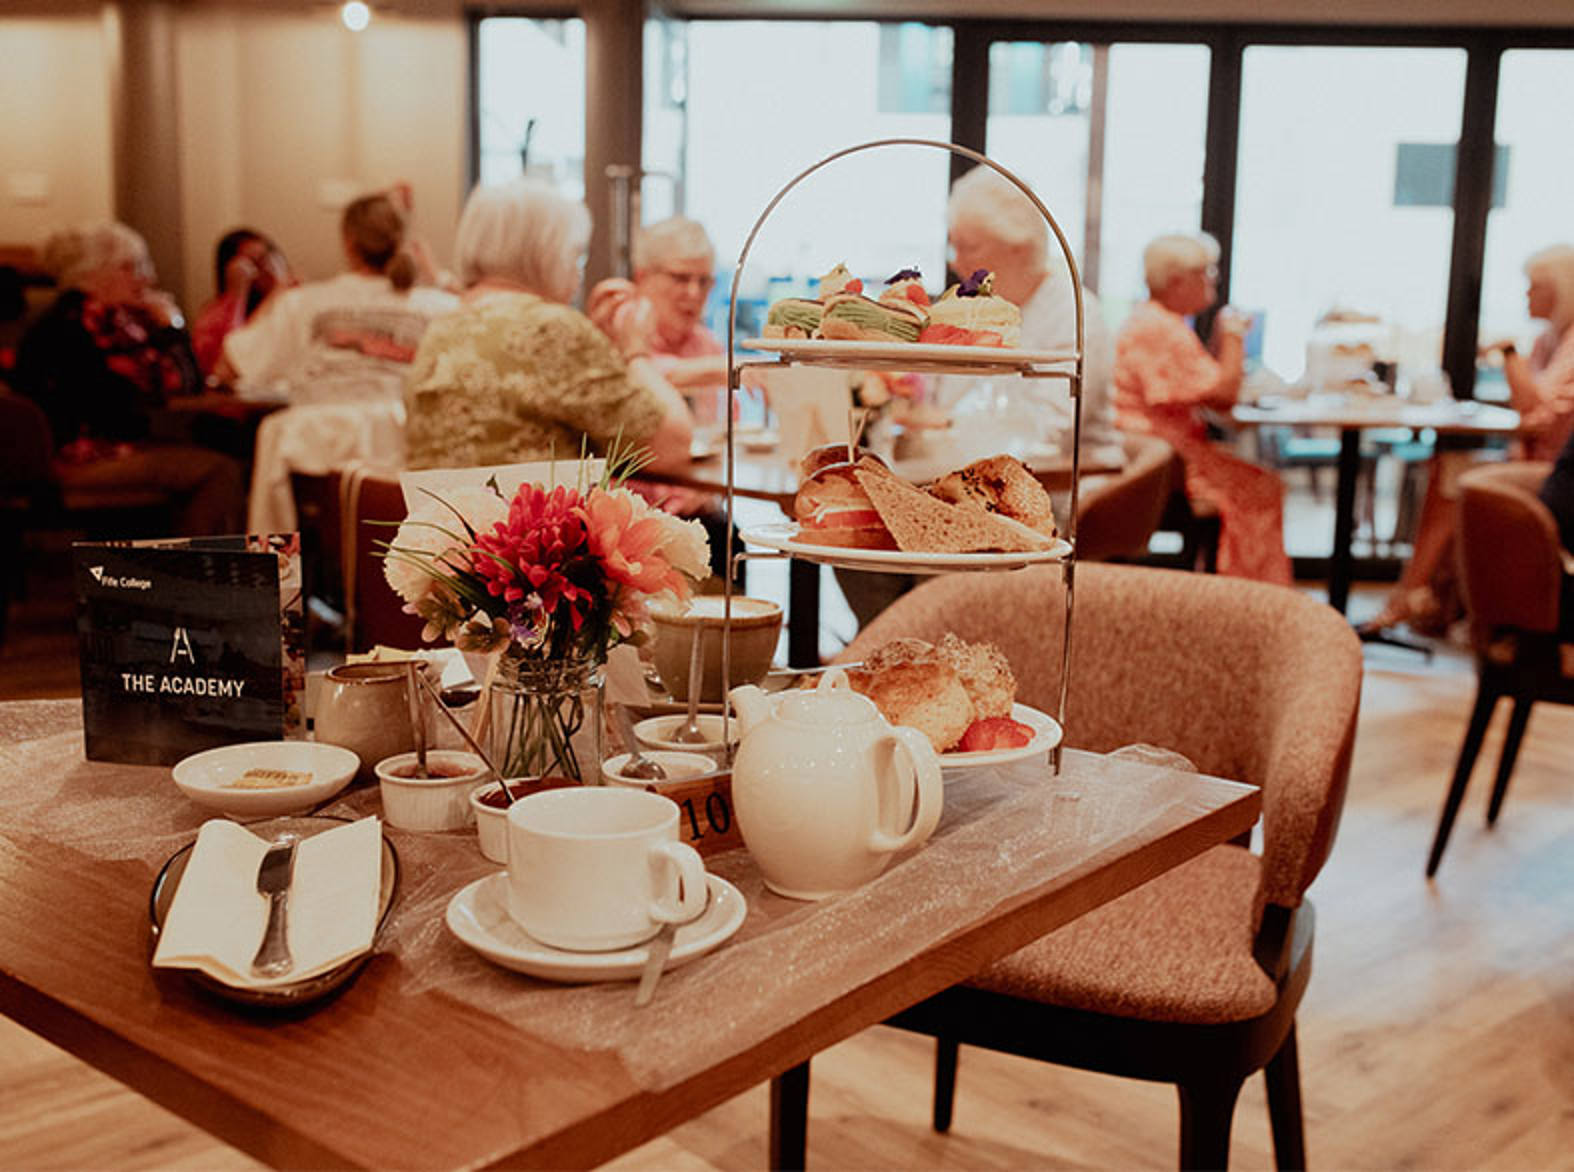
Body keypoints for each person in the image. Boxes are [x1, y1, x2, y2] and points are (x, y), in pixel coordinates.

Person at [404, 178, 692, 476]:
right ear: (547, 253)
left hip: (446, 518)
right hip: (522, 520)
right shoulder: (552, 329)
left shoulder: (443, 326)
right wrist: (635, 350)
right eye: (576, 255)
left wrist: (598, 346)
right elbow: (672, 448)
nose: (578, 273)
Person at [1363, 244, 1574, 636]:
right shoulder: (1550, 340)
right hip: (1529, 459)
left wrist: (1509, 354)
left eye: (1534, 286)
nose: (1526, 295)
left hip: (1550, 469)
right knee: (1447, 471)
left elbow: (1537, 418)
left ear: (1561, 290)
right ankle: (1423, 597)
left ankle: (1415, 596)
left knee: (1453, 480)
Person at [11, 222, 244, 535]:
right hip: (84, 458)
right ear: (96, 272)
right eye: (132, 267)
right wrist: (171, 325)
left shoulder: (67, 315)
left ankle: (174, 569)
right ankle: (199, 579)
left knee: (197, 452)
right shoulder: (101, 322)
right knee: (221, 470)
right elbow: (181, 384)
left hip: (72, 451)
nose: (147, 278)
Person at [1113, 232, 1293, 585]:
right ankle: (1249, 598)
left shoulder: (1159, 321)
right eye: (1206, 272)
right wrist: (1234, 335)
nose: (1213, 279)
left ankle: (1244, 590)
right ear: (1178, 280)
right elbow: (1224, 394)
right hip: (1162, 466)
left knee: (1260, 482)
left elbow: (1205, 384)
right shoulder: (1159, 327)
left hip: (1161, 455)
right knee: (1262, 489)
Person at [936, 165, 1126, 470]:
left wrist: (947, 423)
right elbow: (940, 401)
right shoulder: (977, 310)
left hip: (1063, 489)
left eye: (969, 247)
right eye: (953, 247)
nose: (956, 263)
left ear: (1019, 249)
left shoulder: (1074, 313)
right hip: (974, 474)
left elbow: (1051, 433)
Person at [220, 191, 457, 404]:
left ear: (348, 242)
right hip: (402, 446)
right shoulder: (444, 309)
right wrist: (439, 278)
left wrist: (274, 297)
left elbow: (227, 369)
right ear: (402, 241)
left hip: (316, 444)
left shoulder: (300, 303)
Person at [189, 228, 293, 376]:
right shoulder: (215, 313)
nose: (267, 268)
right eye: (255, 262)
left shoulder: (296, 299)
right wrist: (237, 295)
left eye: (268, 257)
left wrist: (280, 290)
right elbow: (229, 356)